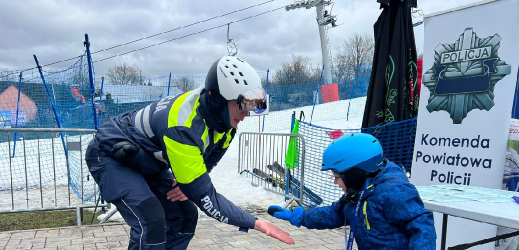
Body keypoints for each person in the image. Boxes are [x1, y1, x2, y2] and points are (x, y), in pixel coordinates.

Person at [85, 56, 295, 249]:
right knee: (150, 219)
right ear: (218, 99)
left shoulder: (226, 125)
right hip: (110, 154)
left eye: (252, 105)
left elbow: (209, 160)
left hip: (145, 159)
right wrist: (255, 222)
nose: (246, 113)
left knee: (185, 215)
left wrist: (189, 185)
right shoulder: (183, 128)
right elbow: (208, 199)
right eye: (242, 104)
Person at [268, 133, 436, 250]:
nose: (335, 182)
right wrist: (300, 216)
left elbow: (421, 225)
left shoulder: (393, 190)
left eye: (337, 176)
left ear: (355, 173)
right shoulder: (358, 192)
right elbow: (336, 214)